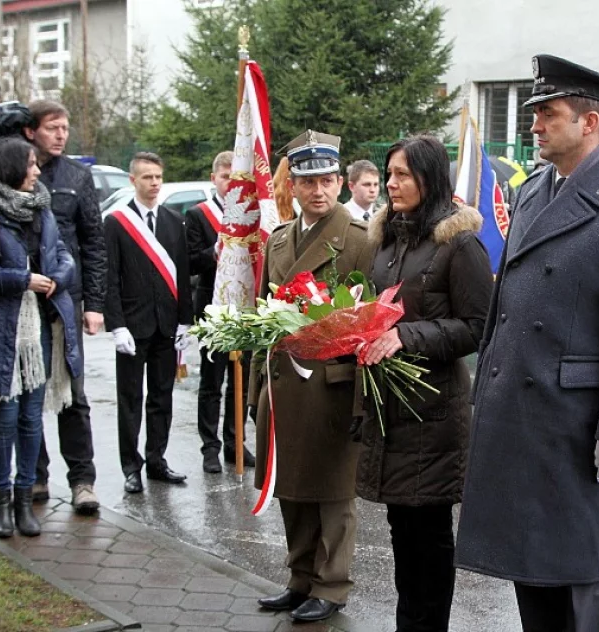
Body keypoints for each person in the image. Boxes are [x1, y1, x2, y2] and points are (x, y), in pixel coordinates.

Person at [455, 55, 599, 632]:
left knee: (583, 580)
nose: (534, 124)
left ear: (590, 123)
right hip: (524, 419)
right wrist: (487, 392)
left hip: (581, 426)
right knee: (531, 569)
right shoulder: (533, 192)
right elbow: (509, 304)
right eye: (534, 113)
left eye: (548, 114)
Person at [355, 135, 493, 632]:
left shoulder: (460, 245)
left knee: (428, 540)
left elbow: (478, 327)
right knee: (402, 534)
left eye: (403, 175)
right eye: (389, 174)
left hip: (433, 413)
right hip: (390, 407)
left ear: (430, 179)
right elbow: (382, 307)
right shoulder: (387, 240)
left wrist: (404, 336)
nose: (391, 184)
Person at [251, 130, 374, 623]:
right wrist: (259, 386)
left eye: (327, 180)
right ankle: (300, 577)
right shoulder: (280, 238)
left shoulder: (361, 241)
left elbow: (370, 325)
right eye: (307, 182)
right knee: (290, 485)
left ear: (341, 182)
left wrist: (363, 401)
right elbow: (265, 316)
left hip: (332, 385)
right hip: (284, 383)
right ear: (293, 187)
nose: (318, 190)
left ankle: (331, 584)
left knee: (332, 492)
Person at [0, 137, 82, 538]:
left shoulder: (41, 206)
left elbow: (63, 255)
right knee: (6, 419)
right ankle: (0, 502)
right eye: (30, 164)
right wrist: (23, 280)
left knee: (32, 419)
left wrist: (57, 279)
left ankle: (24, 501)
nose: (36, 171)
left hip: (42, 325)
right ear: (12, 168)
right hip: (1, 329)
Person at [23, 100, 105, 514]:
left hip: (66, 301)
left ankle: (83, 481)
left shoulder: (77, 175)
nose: (61, 134)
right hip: (24, 301)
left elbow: (93, 241)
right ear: (30, 131)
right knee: (29, 390)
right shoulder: (14, 171)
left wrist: (94, 304)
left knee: (73, 393)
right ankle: (35, 476)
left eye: (65, 127)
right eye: (52, 127)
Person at [104, 152, 193, 493]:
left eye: (158, 177)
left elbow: (182, 276)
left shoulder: (173, 220)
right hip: (132, 326)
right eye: (147, 178)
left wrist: (186, 321)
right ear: (133, 181)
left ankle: (157, 460)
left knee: (162, 397)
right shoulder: (116, 222)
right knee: (130, 400)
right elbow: (109, 277)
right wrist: (116, 325)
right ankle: (131, 467)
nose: (154, 183)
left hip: (167, 327)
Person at [184, 151, 256, 473]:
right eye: (225, 176)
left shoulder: (250, 214)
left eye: (235, 176)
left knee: (239, 380)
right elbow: (189, 262)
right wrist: (213, 251)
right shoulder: (199, 214)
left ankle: (234, 441)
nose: (230, 182)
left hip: (242, 306)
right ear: (214, 178)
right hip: (212, 307)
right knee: (212, 382)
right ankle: (209, 446)